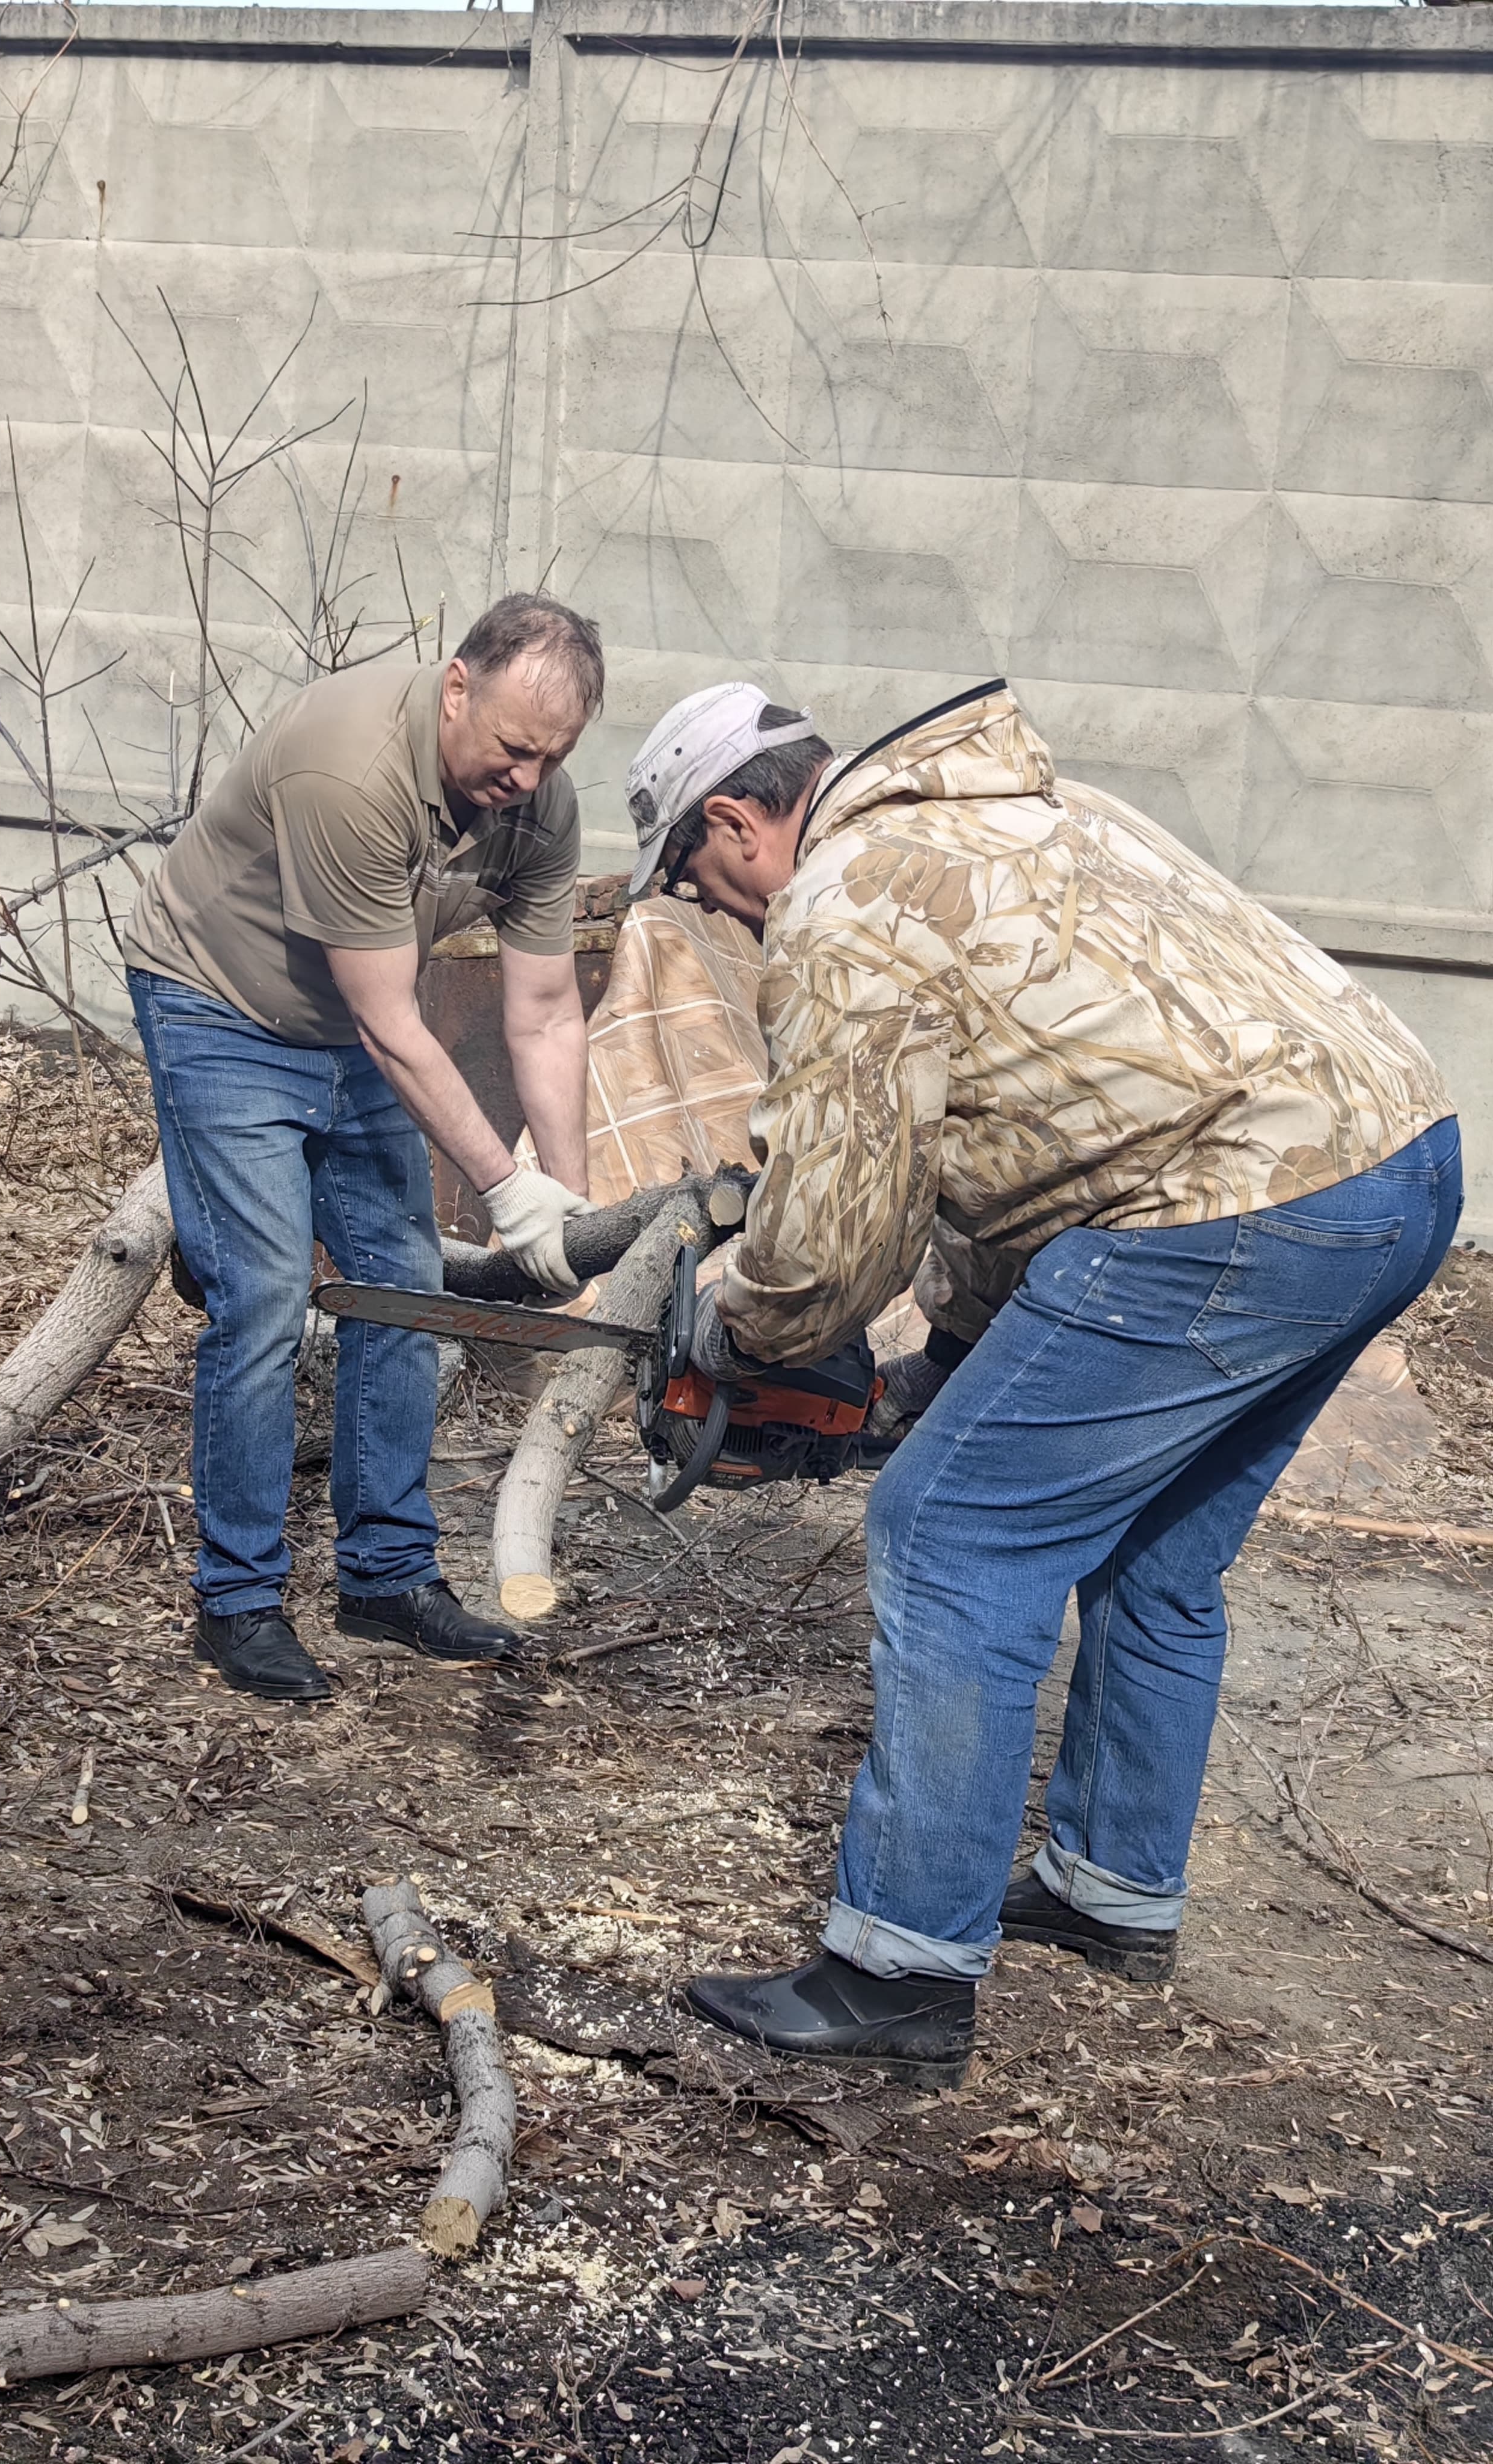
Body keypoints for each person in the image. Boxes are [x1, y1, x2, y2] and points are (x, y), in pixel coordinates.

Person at [623, 677, 1459, 2085]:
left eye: (709, 885)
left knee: (953, 1539)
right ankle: (1112, 1886)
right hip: (1396, 1159)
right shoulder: (1033, 813)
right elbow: (1035, 1149)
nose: (725, 916)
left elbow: (834, 1238)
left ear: (735, 821)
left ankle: (897, 1970)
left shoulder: (847, 905)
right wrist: (942, 1368)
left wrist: (742, 1334)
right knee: (1155, 1550)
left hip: (1235, 1205)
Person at [125, 595, 603, 1704]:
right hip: (221, 1007)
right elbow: (398, 1026)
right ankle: (238, 1600)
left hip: (350, 1025)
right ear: (455, 688)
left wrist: (561, 1203)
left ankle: (385, 1576)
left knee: (407, 1285)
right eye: (513, 748)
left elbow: (545, 1012)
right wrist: (498, 1180)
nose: (527, 780)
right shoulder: (351, 767)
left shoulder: (541, 807)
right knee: (265, 1293)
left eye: (554, 757)